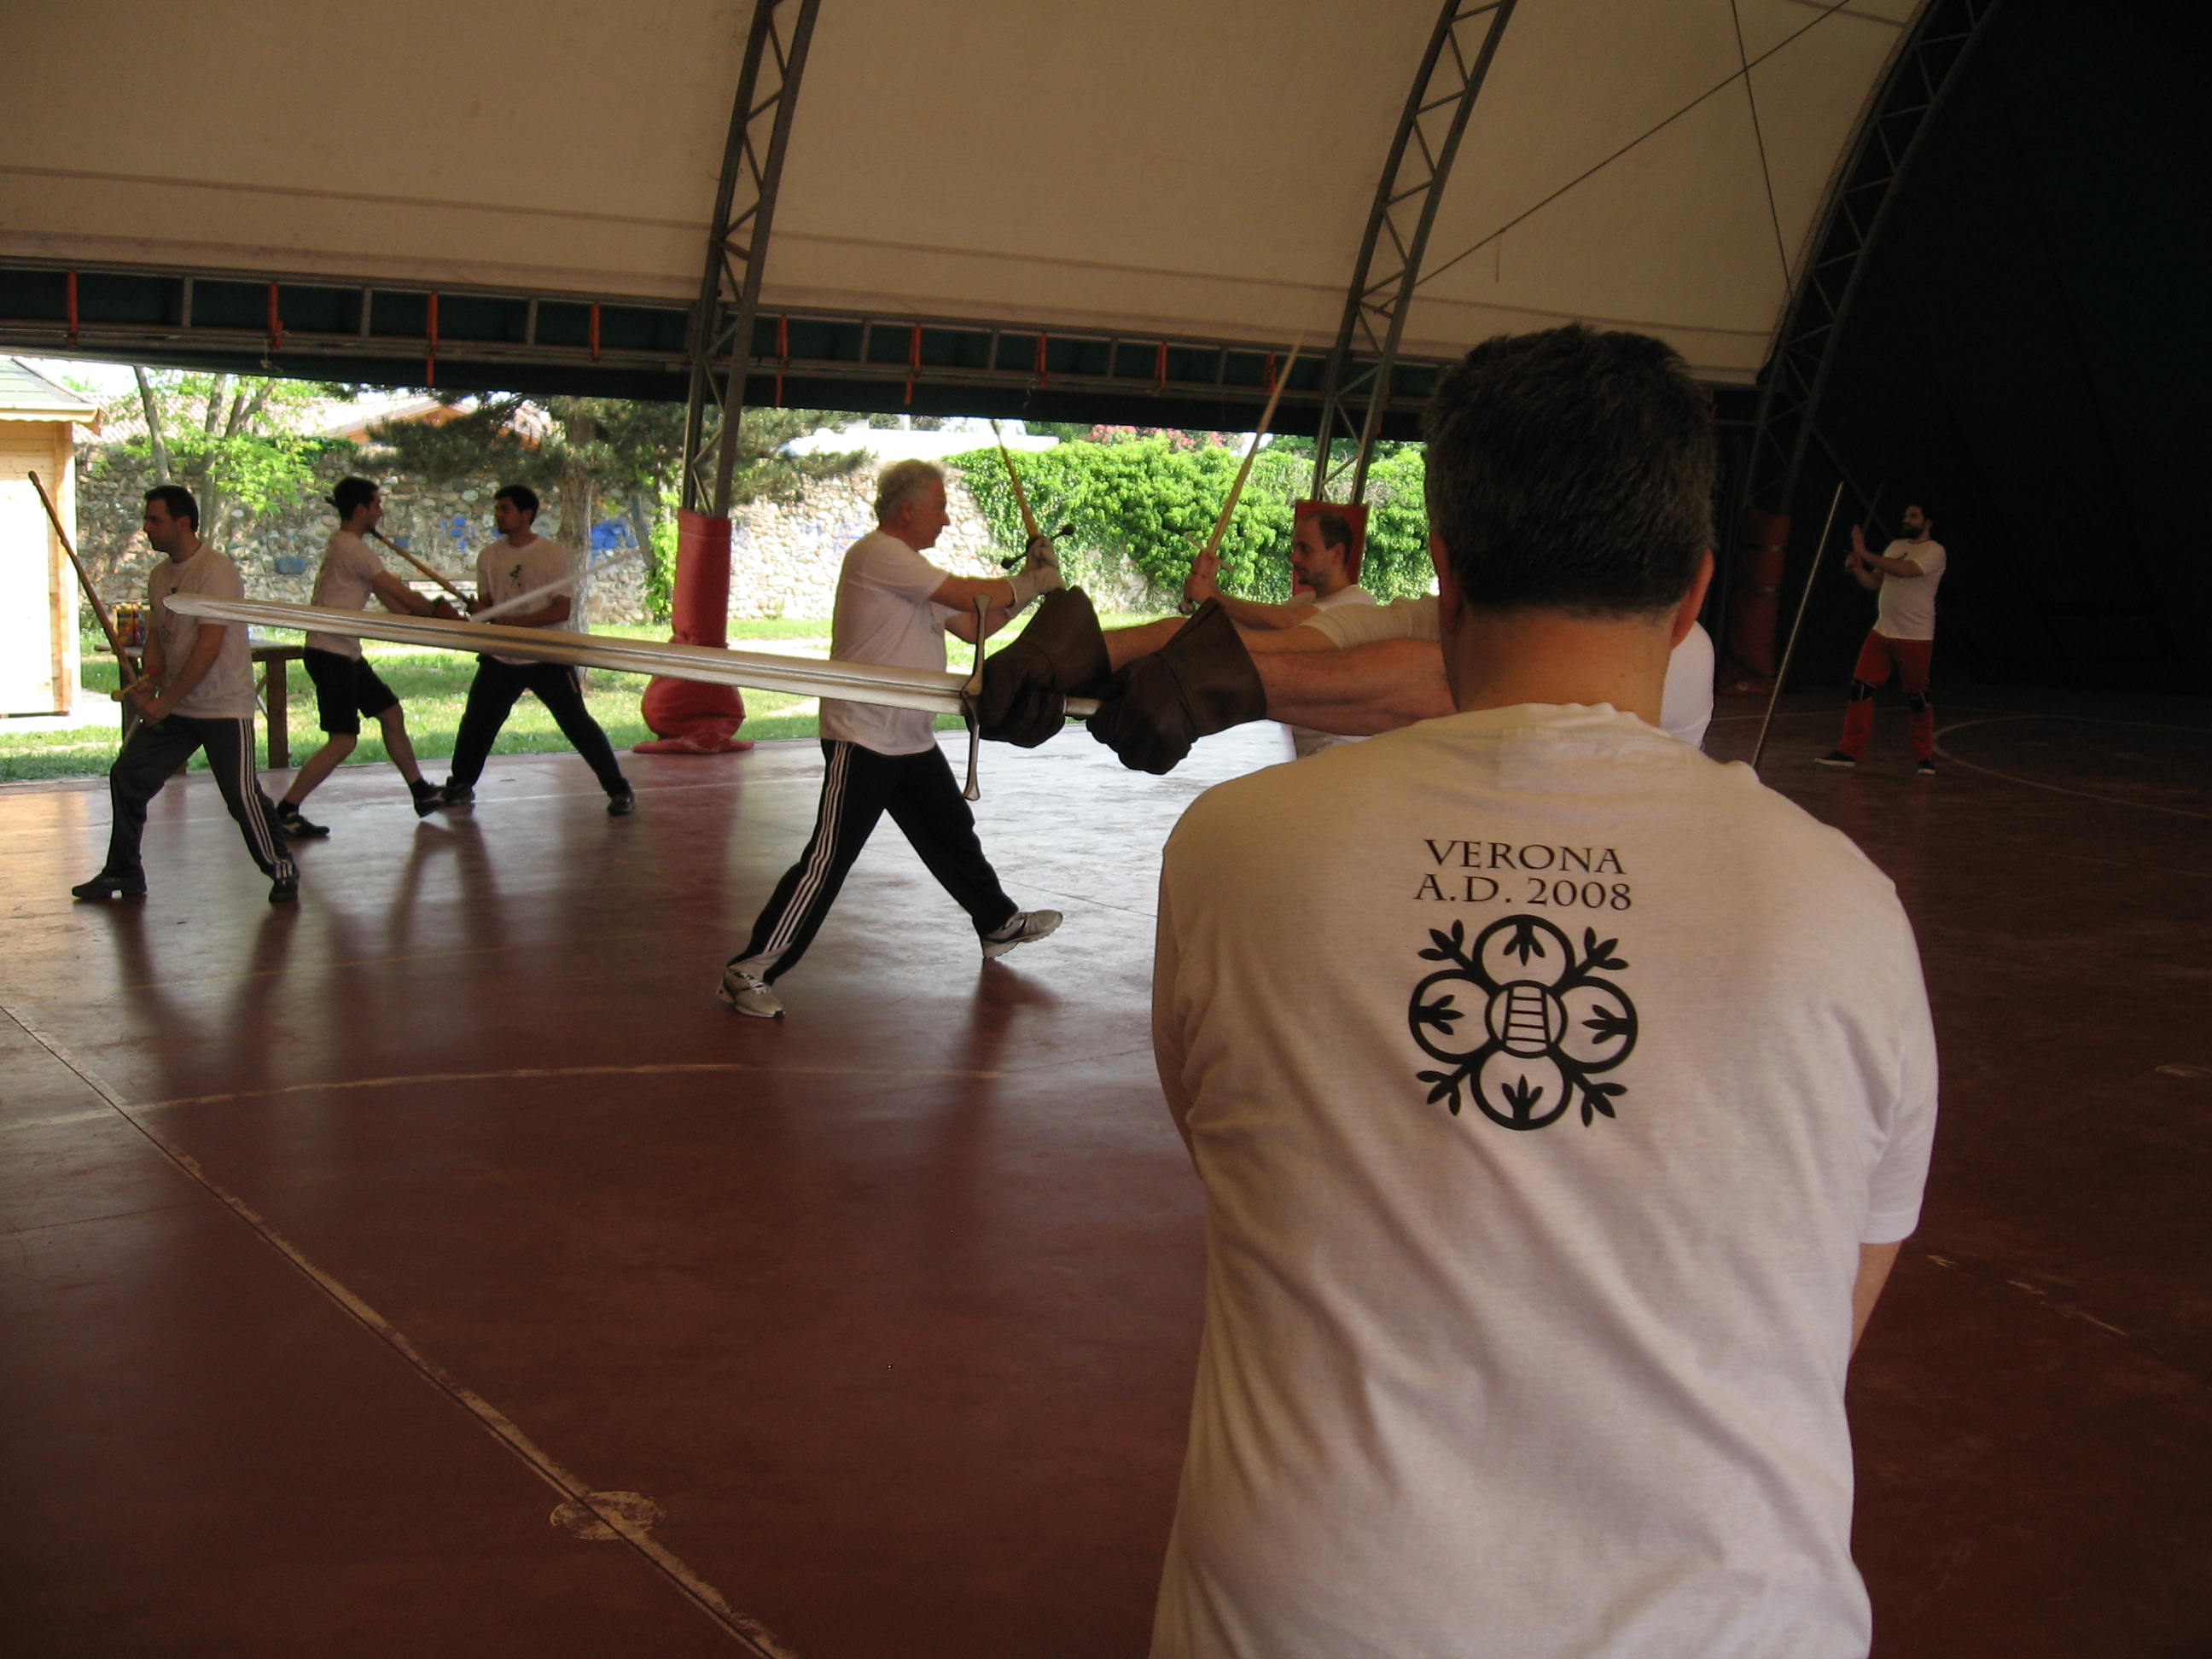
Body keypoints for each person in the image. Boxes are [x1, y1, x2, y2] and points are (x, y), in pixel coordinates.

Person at [1147, 325, 1937, 1656]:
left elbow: (1223, 1136)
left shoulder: (1239, 851)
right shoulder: (1844, 905)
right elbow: (1830, 1311)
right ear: (1693, 594)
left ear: (1447, 570)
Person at [717, 460, 1066, 1019]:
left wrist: (1030, 583)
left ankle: (998, 924)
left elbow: (977, 623)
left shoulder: (913, 571)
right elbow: (970, 594)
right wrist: (1034, 581)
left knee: (951, 833)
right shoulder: (879, 554)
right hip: (863, 735)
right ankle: (749, 970)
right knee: (829, 858)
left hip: (908, 738)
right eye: (939, 507)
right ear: (907, 509)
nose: (946, 519)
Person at [73, 486, 300, 905]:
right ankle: (124, 871)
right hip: (180, 704)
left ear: (182, 523)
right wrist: (152, 676)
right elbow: (160, 636)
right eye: (146, 519)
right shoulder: (161, 576)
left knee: (241, 795)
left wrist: (165, 701)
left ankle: (281, 867)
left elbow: (208, 646)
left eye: (154, 520)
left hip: (222, 704)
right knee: (128, 776)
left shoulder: (215, 571)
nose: (146, 528)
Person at [271, 476, 458, 836]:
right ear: (361, 510)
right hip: (330, 654)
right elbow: (398, 591)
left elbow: (395, 603)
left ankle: (421, 792)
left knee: (391, 713)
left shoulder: (349, 548)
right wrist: (438, 612)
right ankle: (286, 812)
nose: (381, 512)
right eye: (376, 505)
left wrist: (434, 617)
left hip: (344, 651)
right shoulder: (352, 548)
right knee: (343, 741)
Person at [434, 484, 635, 814]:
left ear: (526, 514)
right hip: (501, 657)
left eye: (505, 509)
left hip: (547, 656)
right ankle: (460, 786)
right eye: (497, 509)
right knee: (477, 723)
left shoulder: (550, 554)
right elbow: (489, 606)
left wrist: (514, 623)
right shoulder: (489, 556)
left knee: (577, 724)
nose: (498, 515)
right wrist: (481, 611)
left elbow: (561, 609)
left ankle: (619, 790)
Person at [1183, 504, 1377, 759]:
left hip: (1345, 752)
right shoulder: (1302, 604)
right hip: (1313, 753)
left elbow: (1289, 623)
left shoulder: (1358, 603)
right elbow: (1242, 629)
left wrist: (1214, 597)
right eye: (1295, 548)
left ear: (1336, 553)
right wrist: (1207, 585)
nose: (1295, 558)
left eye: (1305, 549)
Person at [1817, 504, 1946, 775]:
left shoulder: (1935, 551)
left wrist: (1864, 552)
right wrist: (1858, 568)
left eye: (1913, 516)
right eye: (1906, 515)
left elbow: (1905, 570)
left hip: (1915, 636)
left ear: (1928, 522)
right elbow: (1875, 583)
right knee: (1860, 688)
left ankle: (1924, 757)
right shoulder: (1895, 546)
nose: (1907, 520)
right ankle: (1849, 751)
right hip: (1883, 630)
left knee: (1917, 696)